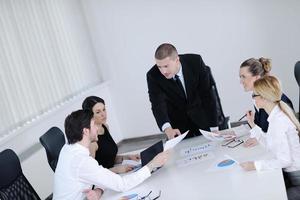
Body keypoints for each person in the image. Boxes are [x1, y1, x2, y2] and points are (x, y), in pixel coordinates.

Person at [53, 109, 170, 200]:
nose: (97, 128)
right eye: (94, 125)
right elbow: (122, 185)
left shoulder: (68, 148)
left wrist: (98, 190)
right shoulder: (81, 161)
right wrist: (152, 164)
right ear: (85, 131)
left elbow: (96, 176)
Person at [240, 76, 300, 200]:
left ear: (263, 97)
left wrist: (256, 165)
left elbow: (285, 161)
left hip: (296, 179)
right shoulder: (275, 116)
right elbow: (270, 142)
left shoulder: (279, 121)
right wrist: (252, 124)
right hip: (292, 175)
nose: (253, 99)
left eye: (254, 96)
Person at [147, 43, 224, 139]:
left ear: (177, 60)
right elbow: (157, 104)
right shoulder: (153, 75)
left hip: (203, 118)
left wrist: (214, 128)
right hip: (178, 127)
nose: (163, 72)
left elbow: (207, 96)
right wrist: (167, 129)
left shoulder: (195, 62)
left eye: (166, 66)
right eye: (159, 67)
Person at [239, 57, 294, 147]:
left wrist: (260, 138)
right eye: (240, 77)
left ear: (257, 77)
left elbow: (280, 137)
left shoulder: (272, 100)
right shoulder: (257, 96)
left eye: (243, 77)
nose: (241, 82)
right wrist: (235, 132)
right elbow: (261, 125)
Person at [82, 96, 140, 174]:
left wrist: (127, 157)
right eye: (98, 112)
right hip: (105, 179)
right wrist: (116, 170)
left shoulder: (105, 127)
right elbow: (92, 172)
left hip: (114, 173)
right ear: (90, 116)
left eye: (104, 109)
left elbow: (107, 158)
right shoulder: (92, 140)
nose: (103, 114)